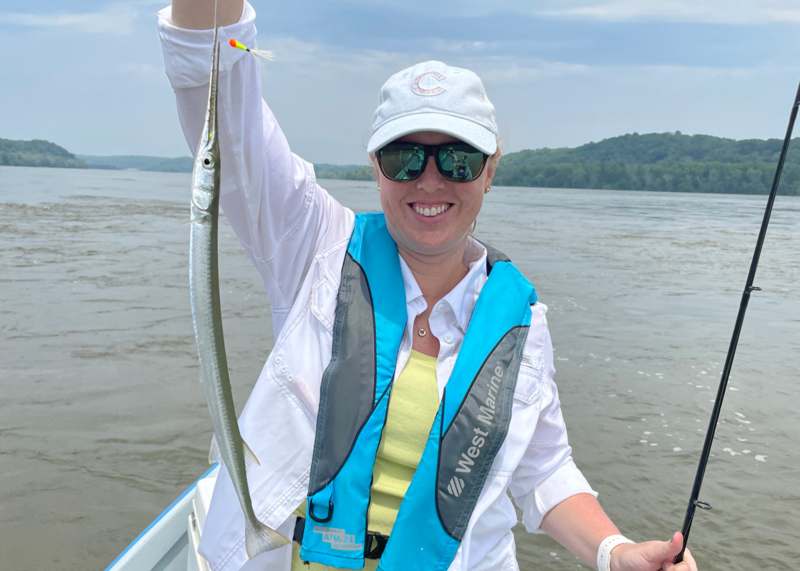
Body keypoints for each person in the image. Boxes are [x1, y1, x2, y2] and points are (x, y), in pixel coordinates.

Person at [158, 2, 699, 570]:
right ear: (375, 165)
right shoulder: (313, 246)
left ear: (490, 171)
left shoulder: (521, 319)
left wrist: (616, 553)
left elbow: (544, 471)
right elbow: (218, 104)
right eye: (405, 157)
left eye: (459, 160)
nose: (431, 180)